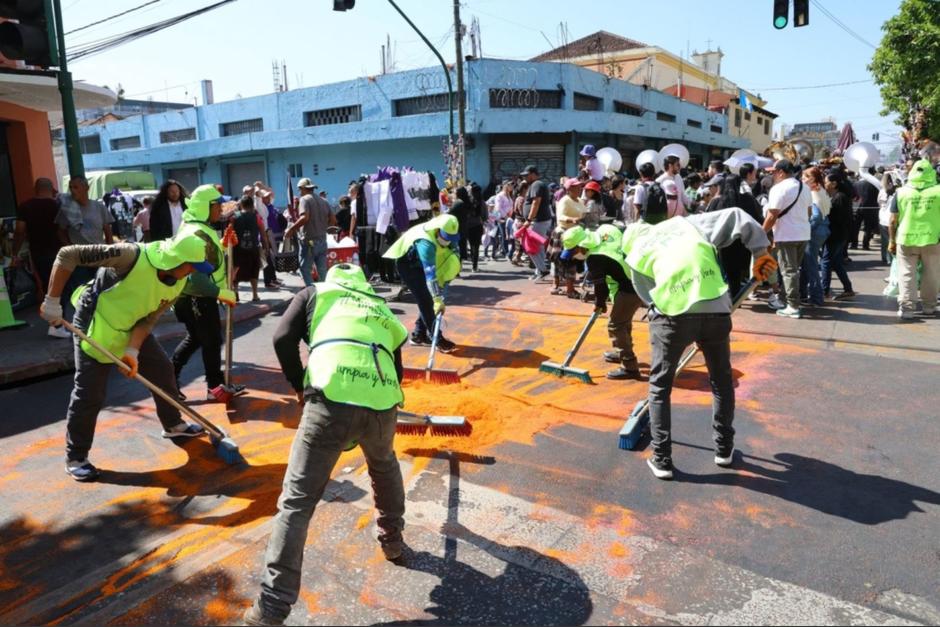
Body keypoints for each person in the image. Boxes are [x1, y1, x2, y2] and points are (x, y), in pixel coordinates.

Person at [244, 264, 408, 627]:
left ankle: (271, 608)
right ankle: (393, 539)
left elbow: (283, 338)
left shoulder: (316, 292)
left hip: (331, 396)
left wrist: (298, 385)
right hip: (383, 402)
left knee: (297, 502)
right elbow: (397, 368)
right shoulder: (378, 305)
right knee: (384, 465)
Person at [39, 235, 215, 481]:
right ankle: (76, 456)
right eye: (191, 267)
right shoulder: (130, 256)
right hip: (95, 321)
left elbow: (149, 318)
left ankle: (173, 425)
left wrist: (132, 350)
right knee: (90, 392)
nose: (193, 273)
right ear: (176, 260)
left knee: (162, 370)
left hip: (130, 325)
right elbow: (67, 254)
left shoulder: (177, 282)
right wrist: (52, 300)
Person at [619, 209, 777, 480]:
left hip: (673, 316)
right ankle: (724, 450)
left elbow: (649, 298)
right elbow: (737, 216)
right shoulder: (688, 225)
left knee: (660, 386)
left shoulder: (634, 253)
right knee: (721, 381)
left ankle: (662, 459)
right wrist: (759, 251)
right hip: (717, 307)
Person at [170, 185, 243, 403]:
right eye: (217, 205)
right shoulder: (196, 232)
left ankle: (207, 382)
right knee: (210, 340)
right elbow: (194, 278)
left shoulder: (199, 227)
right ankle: (214, 386)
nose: (221, 209)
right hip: (196, 298)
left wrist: (222, 246)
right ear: (206, 207)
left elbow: (206, 261)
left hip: (197, 298)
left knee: (198, 339)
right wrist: (221, 293)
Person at [561, 225, 644, 380]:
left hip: (631, 288)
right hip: (638, 278)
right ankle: (622, 352)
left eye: (574, 251)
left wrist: (599, 303)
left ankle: (630, 366)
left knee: (616, 325)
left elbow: (601, 288)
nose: (574, 256)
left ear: (582, 246)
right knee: (623, 320)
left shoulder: (595, 258)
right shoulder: (606, 229)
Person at [382, 214, 461, 351]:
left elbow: (453, 253)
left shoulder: (449, 234)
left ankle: (419, 335)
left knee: (427, 298)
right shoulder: (426, 242)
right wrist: (437, 299)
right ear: (438, 230)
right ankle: (437, 338)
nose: (449, 242)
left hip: (423, 264)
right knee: (425, 299)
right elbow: (430, 274)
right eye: (446, 238)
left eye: (451, 239)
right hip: (408, 265)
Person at [889, 159, 940, 320]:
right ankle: (929, 307)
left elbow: (892, 220)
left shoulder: (901, 192)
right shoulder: (938, 191)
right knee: (931, 273)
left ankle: (907, 308)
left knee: (906, 273)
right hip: (932, 238)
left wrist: (891, 240)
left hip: (906, 238)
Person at [762, 159, 811, 318]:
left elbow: (772, 215)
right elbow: (809, 212)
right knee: (793, 269)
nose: (772, 175)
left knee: (788, 271)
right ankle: (786, 300)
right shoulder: (805, 187)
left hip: (786, 234)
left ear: (781, 172)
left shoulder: (778, 188)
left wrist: (762, 232)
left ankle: (793, 306)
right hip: (803, 233)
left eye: (774, 172)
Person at [11, 178, 62, 329]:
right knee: (64, 286)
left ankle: (55, 324)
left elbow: (19, 231)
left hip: (39, 252)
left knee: (49, 286)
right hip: (60, 250)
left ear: (36, 189)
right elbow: (65, 229)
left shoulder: (25, 206)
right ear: (51, 188)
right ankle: (61, 323)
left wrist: (14, 252)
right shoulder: (57, 205)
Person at [285, 178, 334, 286]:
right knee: (322, 271)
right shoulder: (324, 201)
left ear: (303, 188)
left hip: (309, 241)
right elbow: (333, 220)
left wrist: (291, 229)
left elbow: (305, 218)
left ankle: (312, 292)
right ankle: (324, 292)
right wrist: (322, 226)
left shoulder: (304, 200)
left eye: (299, 189)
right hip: (322, 240)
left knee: (304, 269)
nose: (299, 192)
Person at [820, 172, 856, 300]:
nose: (825, 184)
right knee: (836, 262)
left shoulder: (839, 197)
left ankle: (824, 291)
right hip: (839, 235)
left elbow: (838, 218)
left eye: (826, 182)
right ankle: (848, 289)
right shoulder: (839, 196)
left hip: (836, 235)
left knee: (825, 262)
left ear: (834, 184)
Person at [799, 167, 830, 307]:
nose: (802, 179)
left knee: (811, 266)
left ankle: (816, 298)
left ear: (812, 179)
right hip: (823, 230)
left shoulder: (813, 193)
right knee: (807, 265)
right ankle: (803, 294)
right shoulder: (822, 191)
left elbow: (816, 216)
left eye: (805, 177)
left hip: (815, 232)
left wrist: (806, 229)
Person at [231, 195, 269, 302]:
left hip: (237, 249)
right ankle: (255, 295)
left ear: (241, 205)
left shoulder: (234, 217)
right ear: (252, 205)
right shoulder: (257, 217)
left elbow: (230, 233)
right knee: (254, 271)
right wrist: (266, 247)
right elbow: (263, 233)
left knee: (236, 271)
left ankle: (236, 294)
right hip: (253, 249)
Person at [520, 165, 553, 281]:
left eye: (527, 175)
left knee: (531, 247)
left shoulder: (536, 184)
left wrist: (528, 220)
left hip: (538, 221)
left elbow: (536, 203)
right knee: (537, 247)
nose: (524, 178)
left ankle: (543, 270)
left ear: (533, 174)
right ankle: (539, 271)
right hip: (539, 221)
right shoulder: (536, 185)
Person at [852, 168, 881, 250]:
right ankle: (865, 245)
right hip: (871, 208)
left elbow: (853, 197)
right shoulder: (875, 185)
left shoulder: (856, 184)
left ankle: (854, 244)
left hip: (857, 207)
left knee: (856, 227)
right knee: (868, 227)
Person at [878, 173, 897, 265]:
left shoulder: (881, 191)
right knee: (892, 239)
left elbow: (879, 202)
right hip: (892, 217)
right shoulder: (896, 191)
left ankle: (885, 258)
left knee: (884, 240)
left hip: (883, 217)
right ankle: (892, 258)